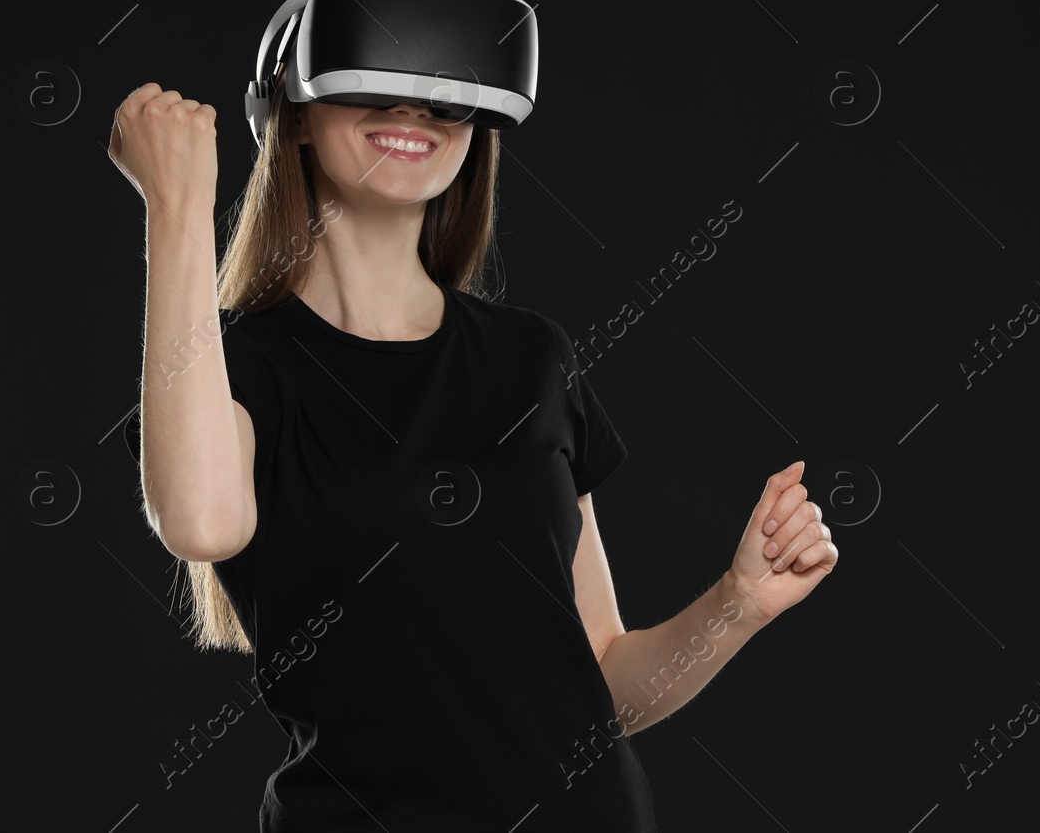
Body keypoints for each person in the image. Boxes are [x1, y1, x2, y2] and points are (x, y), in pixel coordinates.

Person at [106, 62, 839, 830]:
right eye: (371, 78)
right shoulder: (237, 367)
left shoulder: (531, 359)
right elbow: (200, 524)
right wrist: (178, 205)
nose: (411, 108)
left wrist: (738, 604)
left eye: (442, 92)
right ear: (291, 114)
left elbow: (603, 687)